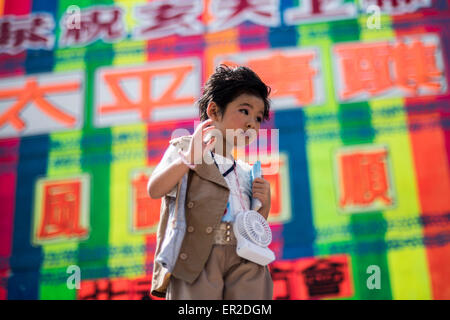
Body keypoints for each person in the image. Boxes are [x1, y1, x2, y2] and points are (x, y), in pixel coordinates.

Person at [147, 65, 273, 300]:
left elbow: (253, 224)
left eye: (258, 118)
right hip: (197, 255)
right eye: (244, 111)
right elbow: (155, 189)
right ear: (214, 111)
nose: (252, 124)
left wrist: (264, 204)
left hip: (244, 257)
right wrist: (187, 161)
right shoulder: (185, 149)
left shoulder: (247, 171)